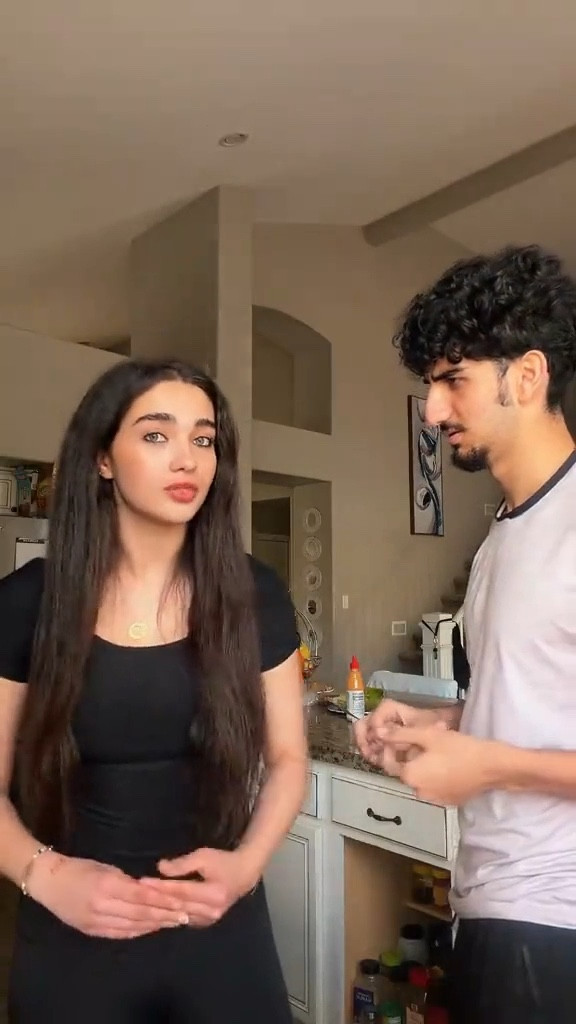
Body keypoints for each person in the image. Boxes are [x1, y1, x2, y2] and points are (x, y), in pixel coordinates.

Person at [0, 358, 307, 1022]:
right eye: (156, 434)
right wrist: (45, 876)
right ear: (102, 458)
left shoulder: (255, 593)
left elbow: (288, 759)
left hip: (220, 931)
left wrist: (247, 866)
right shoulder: (27, 603)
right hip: (73, 933)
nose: (187, 458)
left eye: (204, 438)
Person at [356, 245, 576, 1023]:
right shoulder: (503, 536)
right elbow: (540, 699)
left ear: (528, 376)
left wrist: (484, 763)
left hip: (553, 920)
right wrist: (444, 723)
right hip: (487, 903)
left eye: (454, 380)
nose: (433, 410)